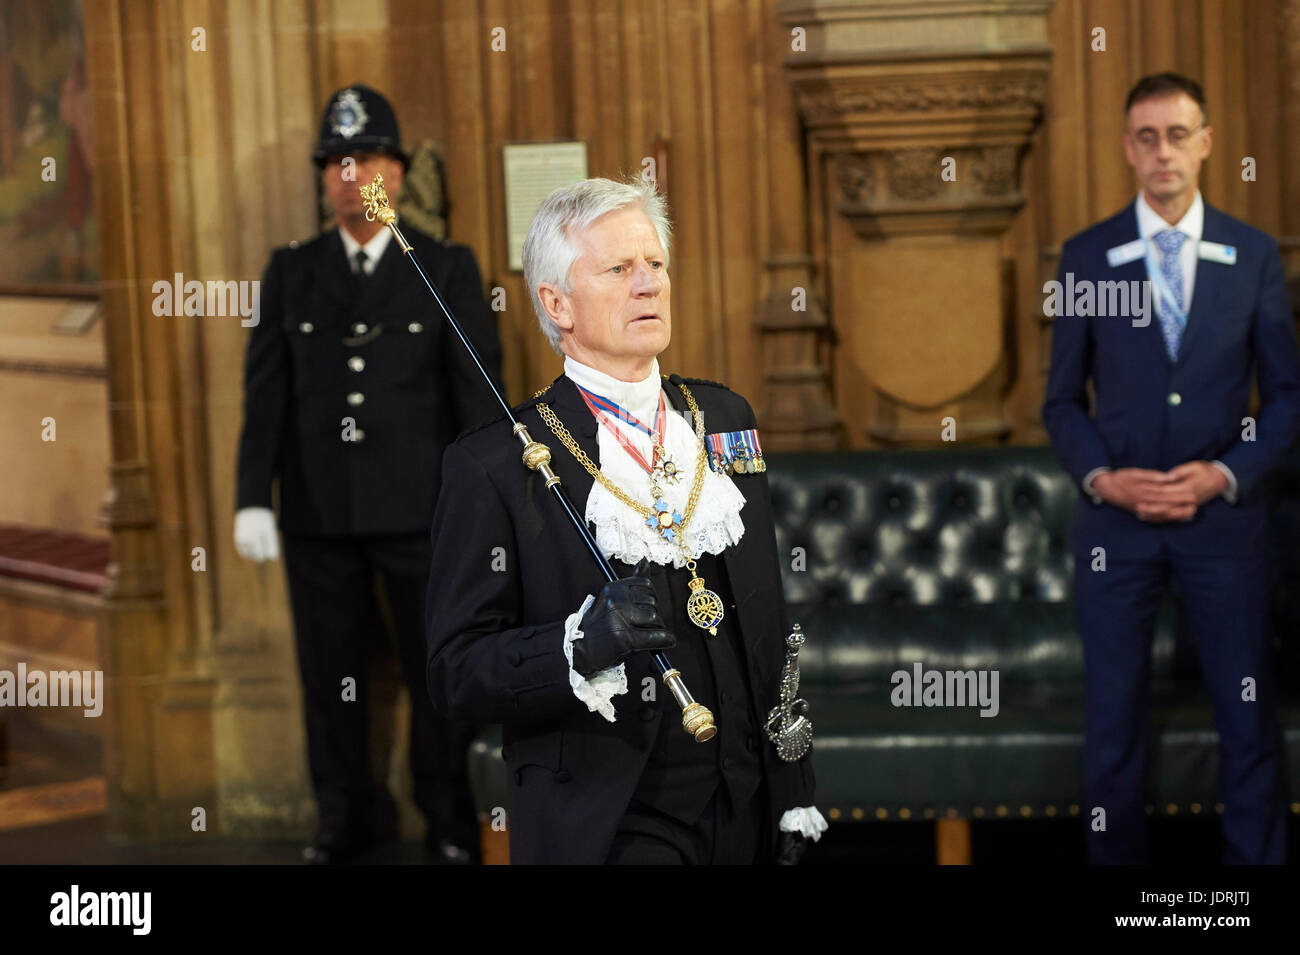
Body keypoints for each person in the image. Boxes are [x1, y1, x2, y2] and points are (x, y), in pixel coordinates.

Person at [425, 177, 826, 864]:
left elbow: (766, 626)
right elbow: (454, 672)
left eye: (657, 264)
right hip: (610, 817)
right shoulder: (496, 462)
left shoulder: (724, 420)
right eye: (619, 269)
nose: (649, 285)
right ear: (558, 303)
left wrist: (793, 789)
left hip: (746, 803)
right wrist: (576, 645)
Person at [234, 84, 503, 864]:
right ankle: (344, 817)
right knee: (329, 680)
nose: (351, 176)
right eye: (336, 163)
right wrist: (253, 497)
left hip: (425, 517)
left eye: (367, 159)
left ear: (396, 169)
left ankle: (451, 819)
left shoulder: (445, 267)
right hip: (318, 516)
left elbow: (476, 396)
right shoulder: (290, 271)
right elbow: (266, 396)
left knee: (439, 674)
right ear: (324, 177)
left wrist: (482, 508)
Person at [1042, 72, 1299, 864]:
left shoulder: (1252, 255)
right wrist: (1102, 479)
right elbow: (1060, 403)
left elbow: (1287, 397)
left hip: (1224, 522)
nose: (1163, 151)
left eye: (1178, 134)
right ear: (1127, 148)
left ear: (1207, 143)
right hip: (1116, 528)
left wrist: (1225, 474)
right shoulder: (1087, 255)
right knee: (1112, 722)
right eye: (1146, 137)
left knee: (1246, 716)